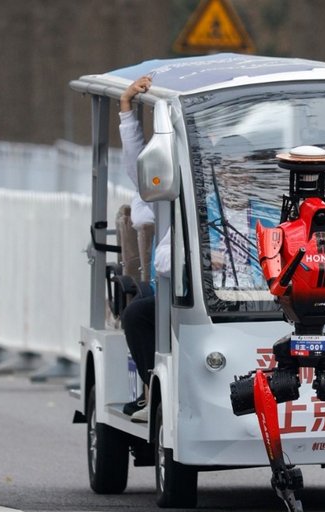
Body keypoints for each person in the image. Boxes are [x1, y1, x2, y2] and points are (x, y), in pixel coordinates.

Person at [117, 76, 173, 421]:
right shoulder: (177, 188)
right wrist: (126, 109)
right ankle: (152, 389)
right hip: (180, 281)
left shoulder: (261, 206)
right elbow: (137, 165)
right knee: (138, 312)